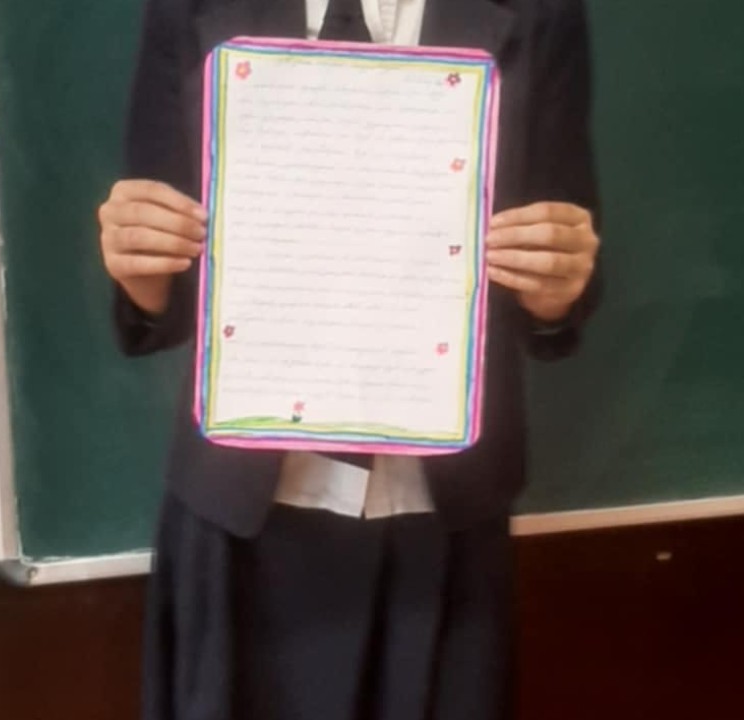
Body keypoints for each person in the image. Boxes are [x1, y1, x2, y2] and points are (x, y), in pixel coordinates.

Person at [97, 0, 601, 718]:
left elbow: (561, 264)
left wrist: (556, 288)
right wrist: (142, 266)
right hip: (242, 515)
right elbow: (162, 289)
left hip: (440, 516)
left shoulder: (539, 11)